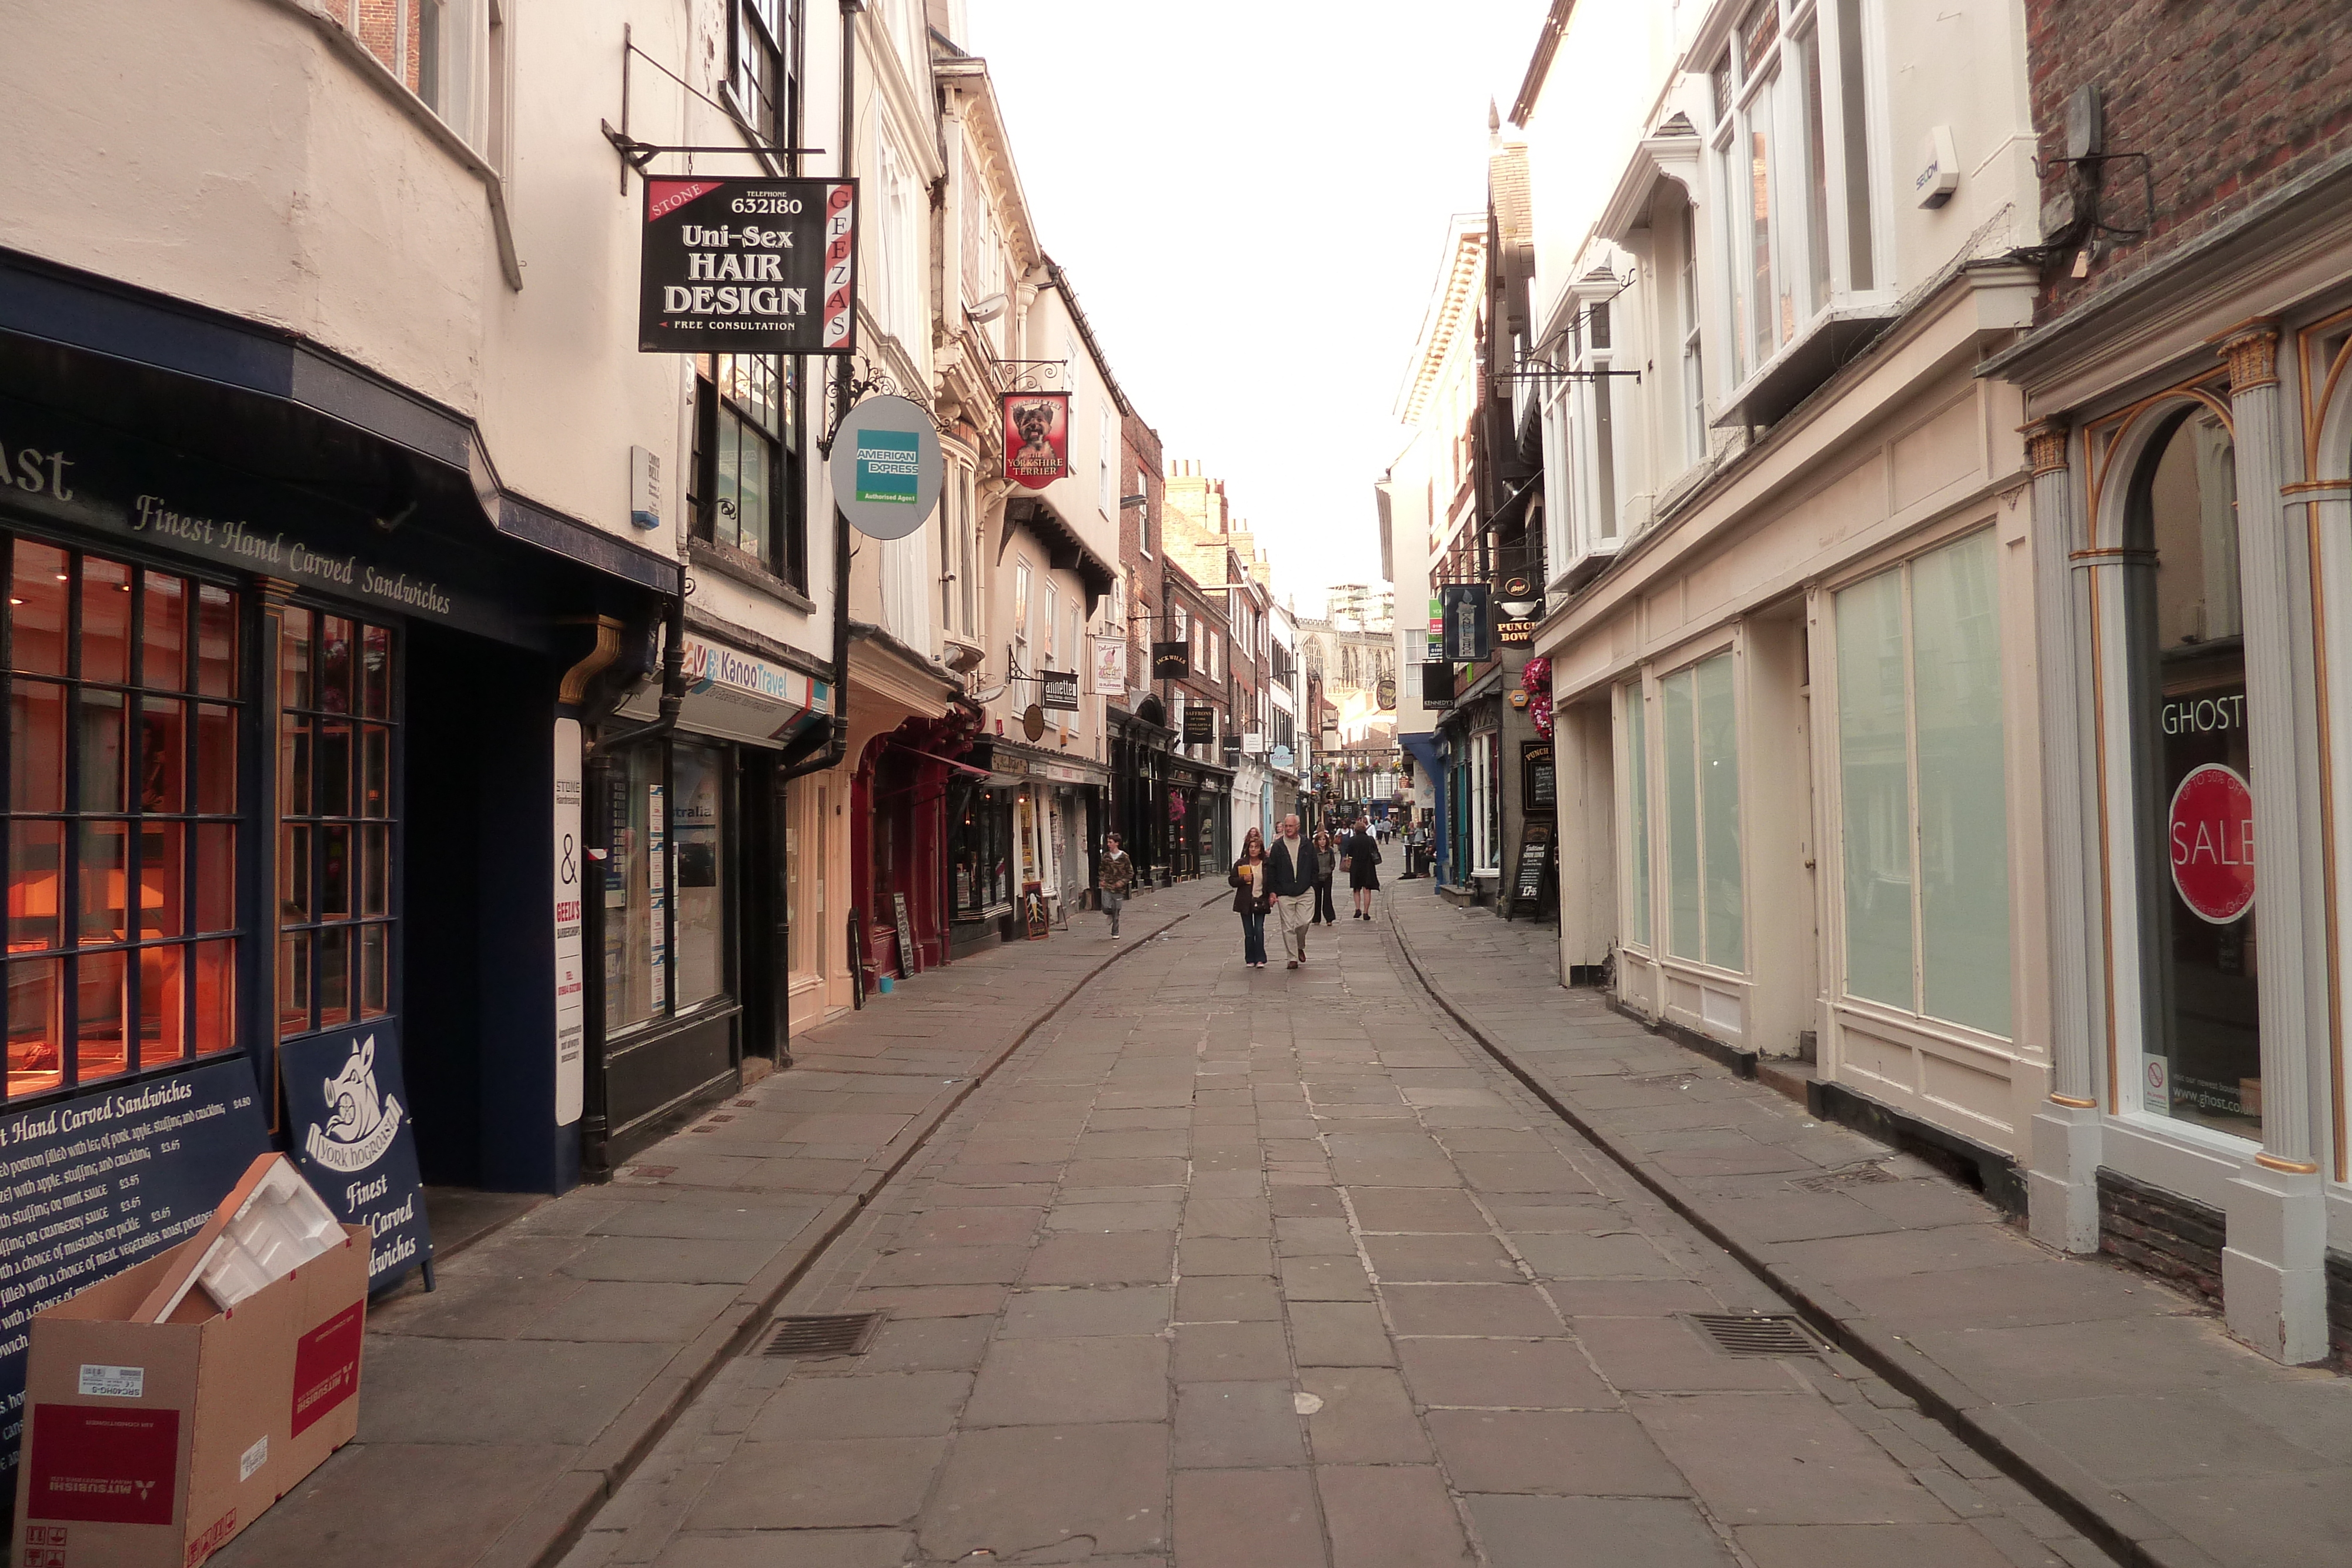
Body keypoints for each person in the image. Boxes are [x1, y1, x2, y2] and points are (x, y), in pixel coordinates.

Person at [1267, 814, 1317, 968]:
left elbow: (1315, 866)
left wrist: (1313, 885)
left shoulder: (1307, 844)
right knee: (1288, 926)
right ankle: (1292, 958)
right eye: (1286, 826)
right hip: (1284, 892)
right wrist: (1272, 891)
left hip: (1305, 890)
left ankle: (1299, 945)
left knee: (1304, 922)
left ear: (1298, 827)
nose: (1288, 829)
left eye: (1291, 826)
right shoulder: (1278, 846)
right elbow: (1271, 869)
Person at [1230, 828, 1271, 968]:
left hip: (1260, 901)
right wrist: (1243, 880)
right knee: (1249, 933)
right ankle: (1250, 959)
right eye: (1251, 847)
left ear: (1261, 850)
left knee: (1259, 930)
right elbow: (1232, 881)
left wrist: (1272, 895)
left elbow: (1271, 881)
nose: (1253, 850)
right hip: (1245, 902)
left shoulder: (1266, 864)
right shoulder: (1241, 863)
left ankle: (1260, 958)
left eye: (1256, 847)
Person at [1098, 831, 1135, 938]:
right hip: (1107, 887)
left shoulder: (1124, 857)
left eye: (1110, 842)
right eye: (1108, 842)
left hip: (1119, 889)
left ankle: (1115, 932)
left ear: (1117, 843)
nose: (1108, 844)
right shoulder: (1106, 857)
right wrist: (1102, 879)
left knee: (1117, 910)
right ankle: (1109, 914)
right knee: (1105, 907)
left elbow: (1130, 873)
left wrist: (1122, 882)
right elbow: (1101, 870)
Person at [1347, 814, 1382, 920]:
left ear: (1356, 830)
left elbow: (1350, 853)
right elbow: (1375, 851)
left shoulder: (1352, 840)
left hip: (1356, 866)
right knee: (1367, 890)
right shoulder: (1370, 840)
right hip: (1368, 866)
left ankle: (1358, 909)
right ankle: (1366, 912)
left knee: (1356, 889)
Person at [1310, 828, 1339, 924]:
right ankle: (1316, 918)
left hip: (1327, 877)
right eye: (1320, 840)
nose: (1322, 842)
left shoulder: (1330, 851)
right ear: (1317, 841)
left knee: (1327, 897)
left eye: (1324, 840)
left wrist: (1329, 870)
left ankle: (1329, 918)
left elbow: (1333, 863)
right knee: (1317, 897)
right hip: (1317, 878)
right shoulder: (1314, 851)